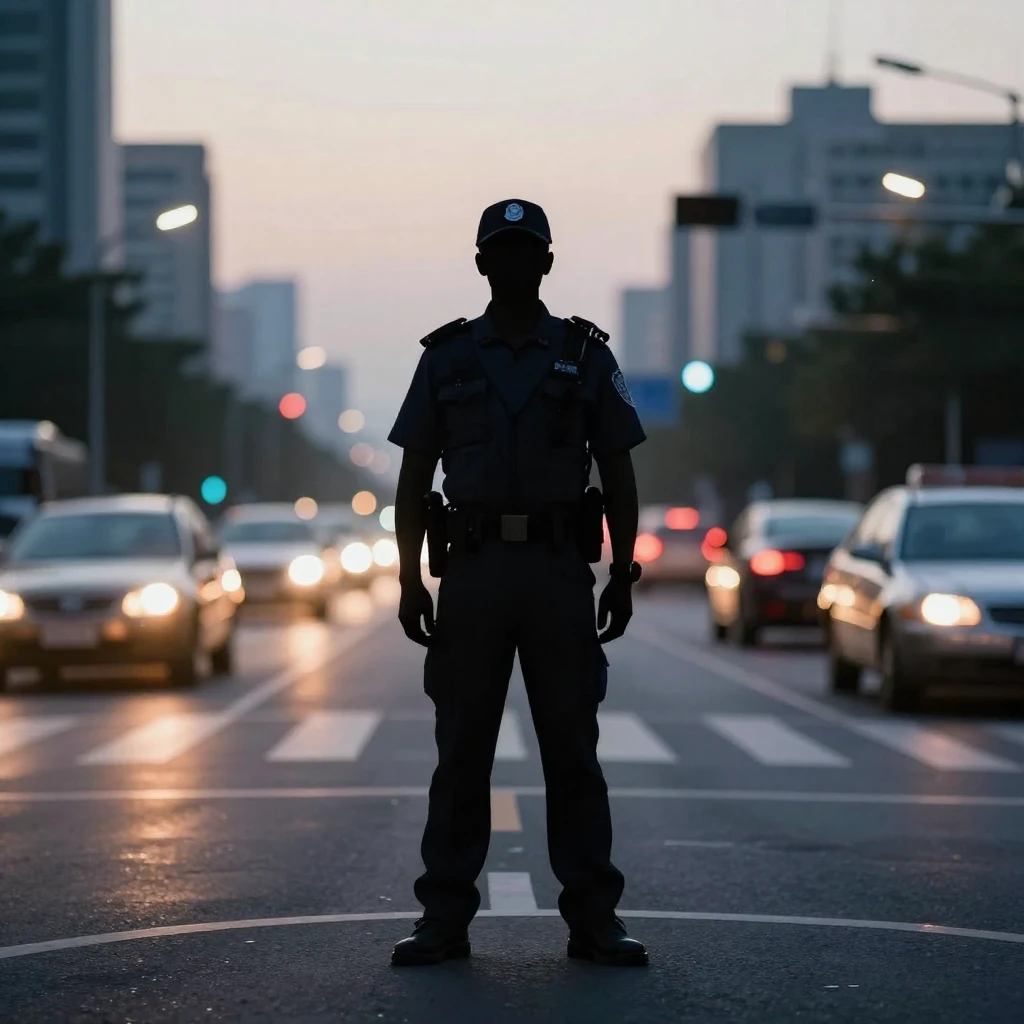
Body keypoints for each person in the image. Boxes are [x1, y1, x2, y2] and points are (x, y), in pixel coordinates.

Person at [388, 199, 648, 967]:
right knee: (462, 752)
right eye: (499, 252)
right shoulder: (446, 358)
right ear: (480, 264)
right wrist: (409, 580)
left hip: (558, 575)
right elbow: (413, 479)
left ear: (547, 263)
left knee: (573, 752)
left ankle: (594, 919)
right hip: (471, 576)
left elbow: (619, 471)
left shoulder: (585, 356)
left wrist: (622, 573)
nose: (512, 263)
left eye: (526, 251)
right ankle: (443, 918)